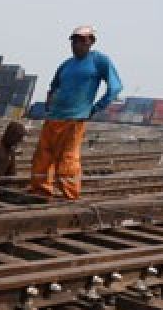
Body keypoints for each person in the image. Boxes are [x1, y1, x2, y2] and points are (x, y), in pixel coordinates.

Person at [30, 25, 122, 199]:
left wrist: (95, 108)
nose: (76, 44)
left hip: (75, 119)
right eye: (74, 40)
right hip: (53, 118)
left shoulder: (99, 61)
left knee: (68, 160)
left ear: (91, 42)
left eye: (81, 40)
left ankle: (69, 195)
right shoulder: (66, 64)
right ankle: (40, 191)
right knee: (42, 157)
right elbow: (54, 85)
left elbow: (115, 88)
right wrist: (50, 101)